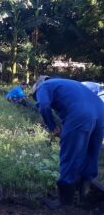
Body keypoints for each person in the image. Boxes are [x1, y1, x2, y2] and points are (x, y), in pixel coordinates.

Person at [32, 76, 104, 209]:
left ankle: (65, 201)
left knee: (70, 155)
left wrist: (52, 127)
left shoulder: (43, 87)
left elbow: (43, 106)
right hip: (101, 112)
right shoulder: (69, 83)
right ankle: (85, 197)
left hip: (80, 114)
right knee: (91, 154)